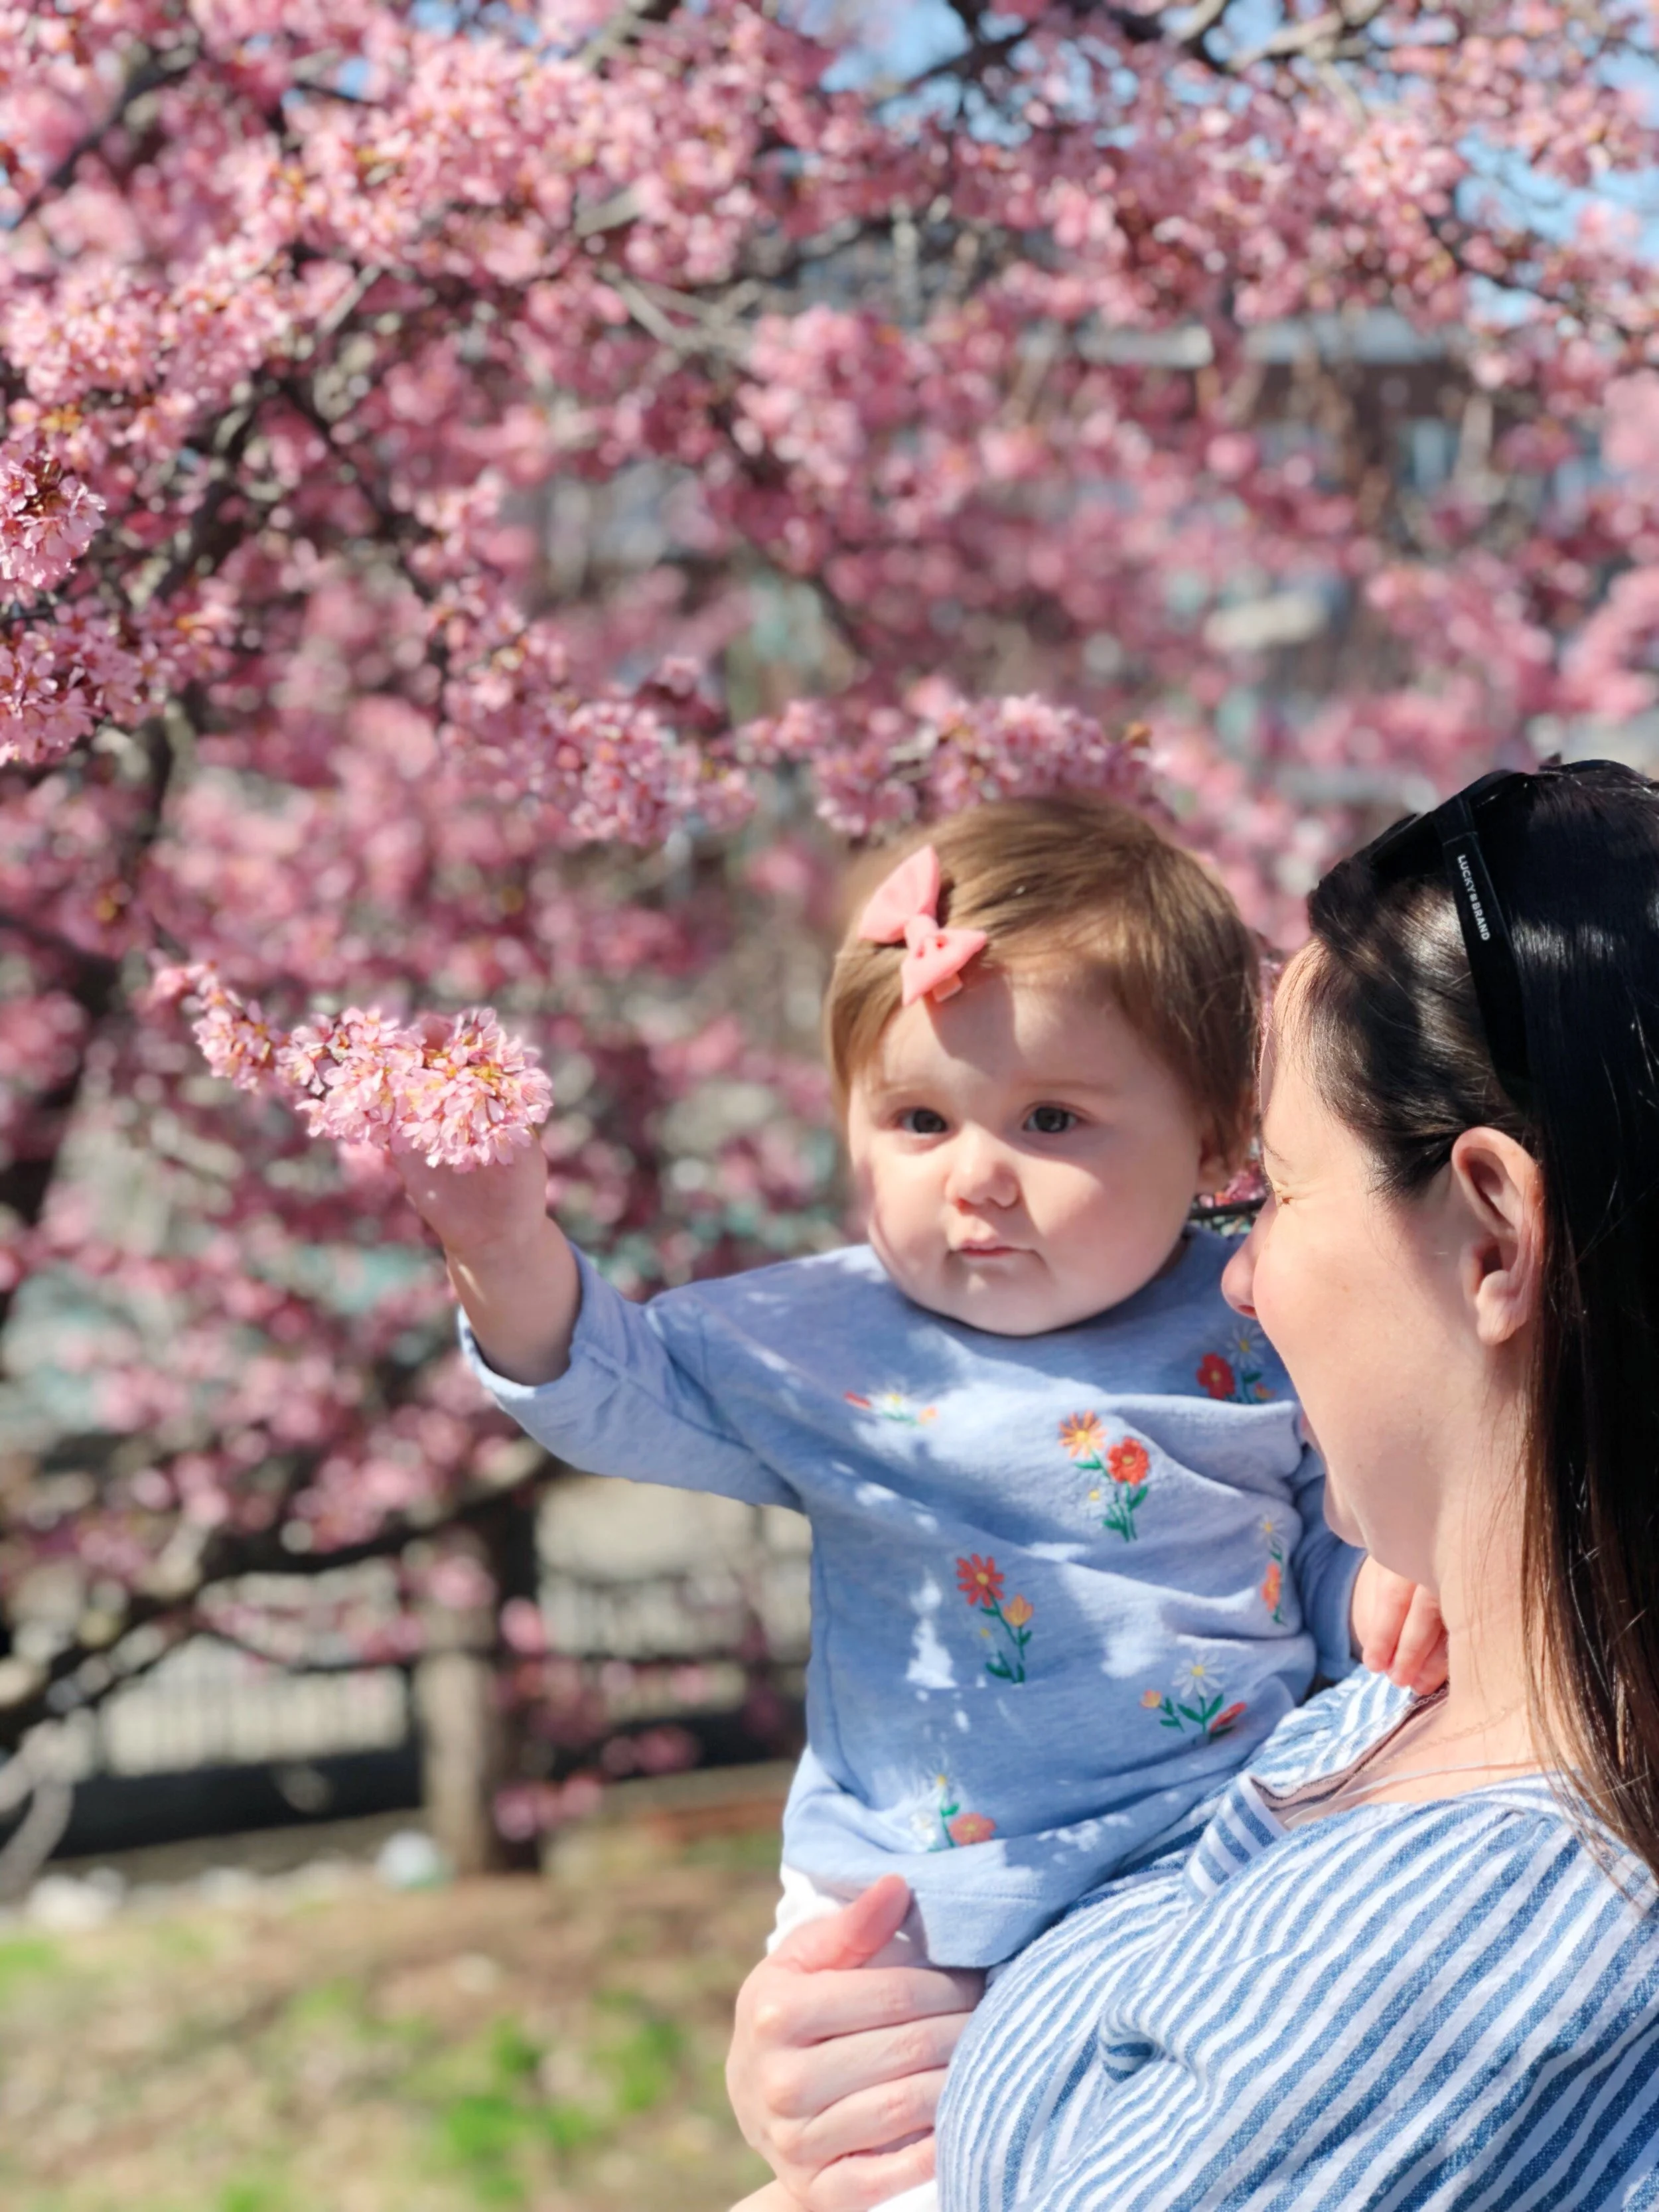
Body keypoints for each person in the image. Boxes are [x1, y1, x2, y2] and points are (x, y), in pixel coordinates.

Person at [399, 795, 1438, 2212]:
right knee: (887, 2172)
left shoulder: (1254, 1319)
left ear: (1211, 1142)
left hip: (1213, 1847)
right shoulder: (830, 1337)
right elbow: (606, 1379)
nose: (975, 1179)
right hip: (909, 1910)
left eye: (1051, 1119)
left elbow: (1329, 1529)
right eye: (915, 1119)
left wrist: (1387, 1583)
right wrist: (502, 1243)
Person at [723, 758, 1659, 2212]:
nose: (1232, 1277)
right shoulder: (1395, 1709)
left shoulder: (1455, 1951)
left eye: (1269, 1193)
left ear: (1488, 1236)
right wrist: (866, 2076)